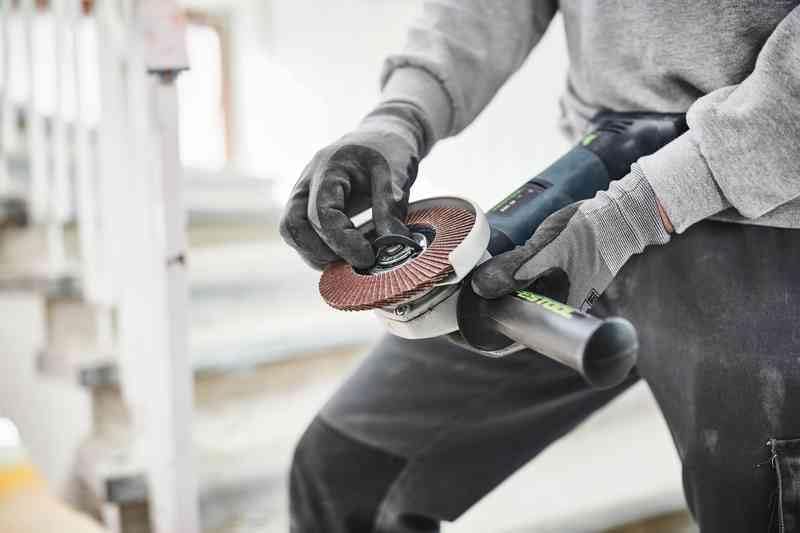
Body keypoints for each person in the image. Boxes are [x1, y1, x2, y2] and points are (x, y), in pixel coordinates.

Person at [280, 2, 800, 531]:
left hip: (770, 213)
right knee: (344, 475)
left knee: (760, 509)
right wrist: (398, 115)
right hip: (594, 178)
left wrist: (633, 216)